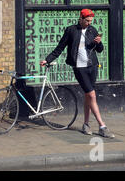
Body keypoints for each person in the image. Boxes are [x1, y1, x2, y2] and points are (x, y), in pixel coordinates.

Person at [40, 9, 115, 138]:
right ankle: (102, 126)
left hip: (92, 66)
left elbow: (100, 50)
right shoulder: (71, 30)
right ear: (81, 18)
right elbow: (60, 47)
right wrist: (48, 59)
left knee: (88, 96)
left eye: (91, 21)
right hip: (79, 68)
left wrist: (99, 43)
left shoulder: (92, 30)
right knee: (92, 95)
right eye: (87, 21)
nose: (89, 23)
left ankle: (86, 124)